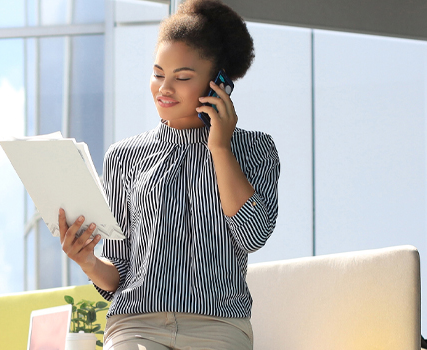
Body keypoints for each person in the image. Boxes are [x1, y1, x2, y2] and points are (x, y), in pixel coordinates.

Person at [57, 0, 278, 349]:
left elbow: (253, 235)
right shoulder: (124, 158)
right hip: (136, 324)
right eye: (158, 74)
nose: (164, 89)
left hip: (218, 325)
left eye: (183, 77)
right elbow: (119, 271)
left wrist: (219, 148)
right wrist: (86, 260)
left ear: (218, 83)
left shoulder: (255, 150)